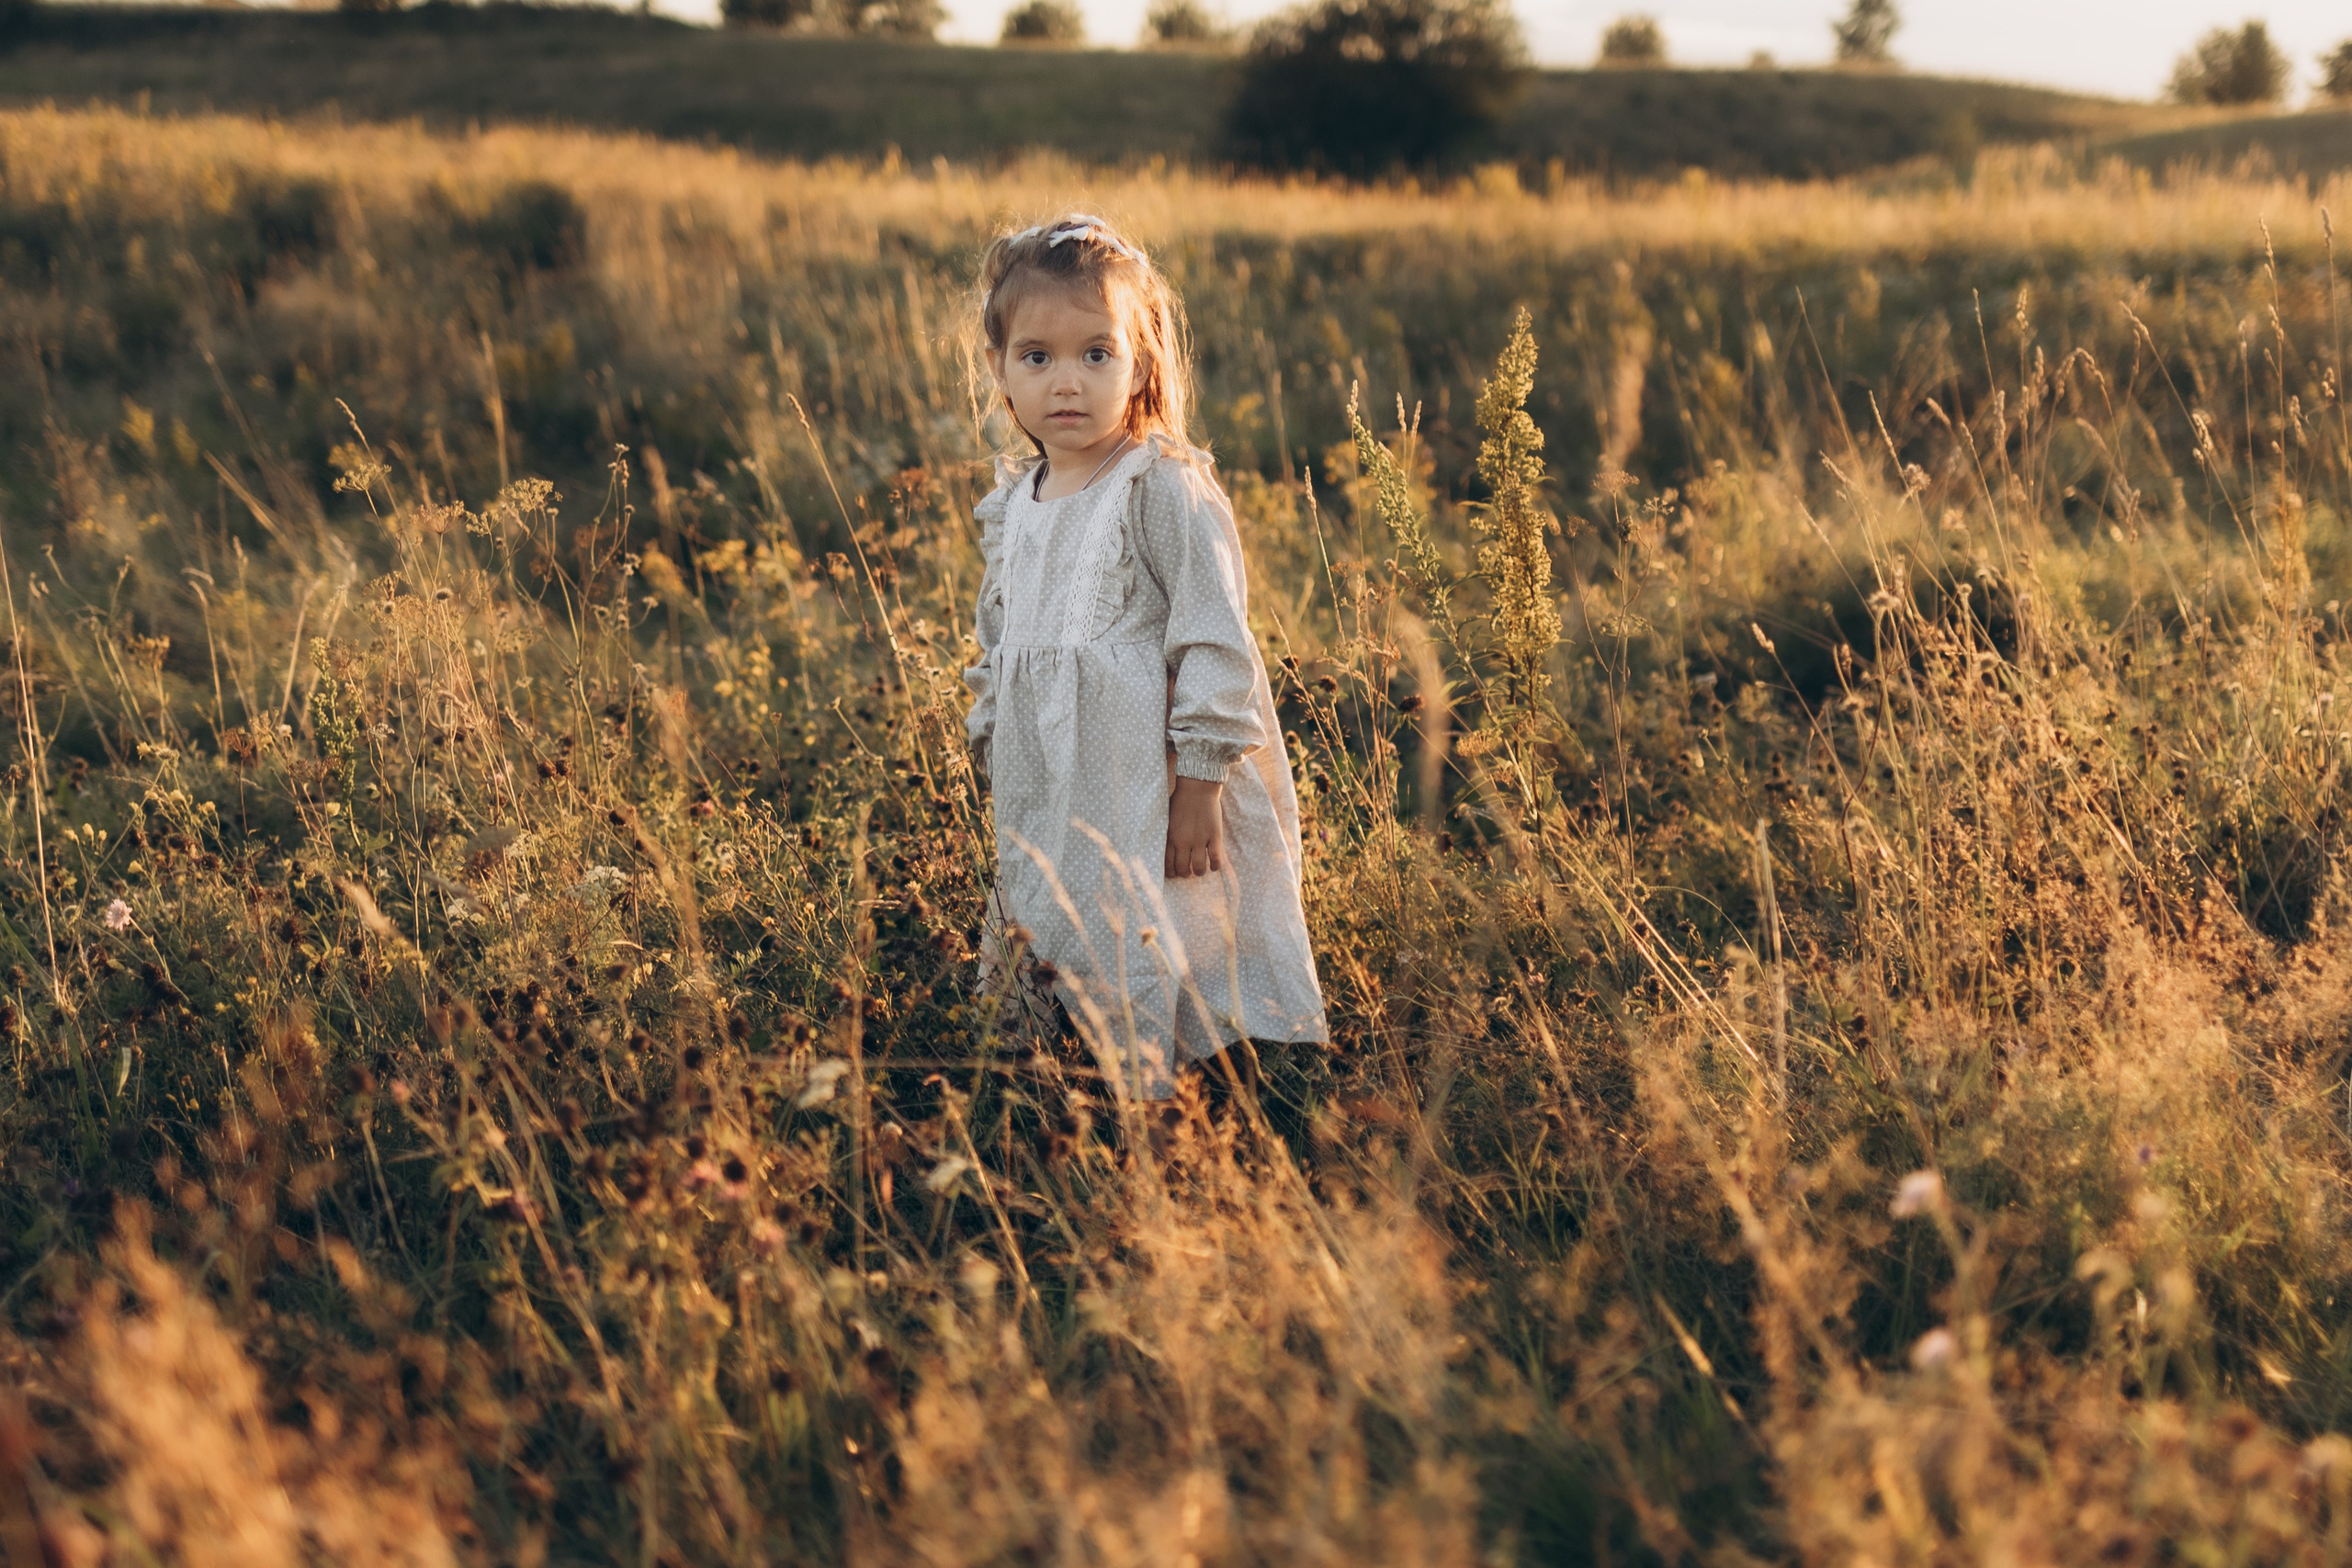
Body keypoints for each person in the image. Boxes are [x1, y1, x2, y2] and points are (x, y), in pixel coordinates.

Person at [964, 213, 1327, 1103]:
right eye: (1037, 357)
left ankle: (1157, 1098)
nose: (1068, 383)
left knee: (1142, 921)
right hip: (1047, 770)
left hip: (1146, 775)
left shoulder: (1159, 483)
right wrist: (991, 737)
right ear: (1000, 371)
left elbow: (1213, 634)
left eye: (1097, 353)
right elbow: (998, 642)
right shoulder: (1016, 505)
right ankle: (1055, 1078)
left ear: (1141, 362)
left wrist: (1200, 782)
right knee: (1051, 913)